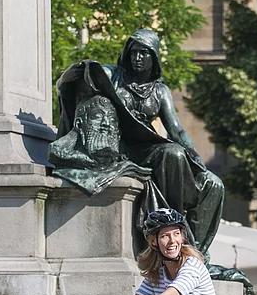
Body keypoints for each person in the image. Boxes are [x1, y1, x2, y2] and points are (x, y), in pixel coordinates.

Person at [50, 29, 226, 253]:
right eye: (133, 52)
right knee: (172, 153)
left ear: (154, 56)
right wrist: (73, 72)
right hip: (118, 148)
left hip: (147, 148)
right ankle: (171, 224)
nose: (137, 58)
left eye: (144, 53)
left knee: (211, 181)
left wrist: (198, 162)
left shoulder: (160, 91)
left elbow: (177, 130)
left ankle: (188, 242)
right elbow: (64, 85)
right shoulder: (112, 76)